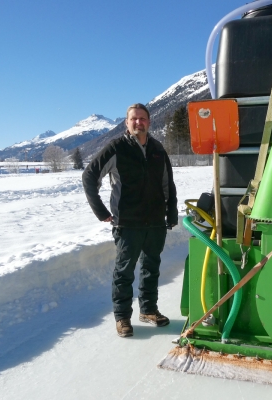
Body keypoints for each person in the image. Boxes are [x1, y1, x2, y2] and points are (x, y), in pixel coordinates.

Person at [82, 103, 178, 338]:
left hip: (155, 222)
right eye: (134, 119)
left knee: (151, 268)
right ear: (126, 123)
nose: (138, 123)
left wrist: (171, 211)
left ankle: (148, 310)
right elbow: (89, 176)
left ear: (149, 122)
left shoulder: (157, 149)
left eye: (142, 119)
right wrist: (101, 211)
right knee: (124, 272)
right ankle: (122, 317)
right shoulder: (116, 148)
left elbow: (168, 184)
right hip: (128, 223)